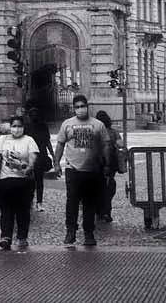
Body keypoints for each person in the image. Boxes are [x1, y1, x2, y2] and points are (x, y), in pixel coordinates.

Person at [53, 94, 111, 247]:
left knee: (89, 203)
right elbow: (60, 144)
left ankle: (89, 232)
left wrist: (106, 164)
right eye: (77, 107)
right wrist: (56, 163)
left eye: (82, 106)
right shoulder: (67, 124)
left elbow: (105, 145)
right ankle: (71, 231)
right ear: (74, 108)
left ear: (87, 106)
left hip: (93, 170)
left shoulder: (98, 125)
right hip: (73, 169)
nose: (80, 109)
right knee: (71, 202)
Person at [0, 115, 39, 250]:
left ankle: (22, 237)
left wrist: (25, 165)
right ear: (10, 127)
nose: (16, 129)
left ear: (23, 128)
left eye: (19, 126)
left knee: (22, 210)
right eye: (14, 126)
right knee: (6, 209)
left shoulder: (29, 140)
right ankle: (6, 236)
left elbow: (33, 159)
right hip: (5, 180)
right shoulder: (2, 139)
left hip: (23, 182)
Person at [24, 106, 55, 212]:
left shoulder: (30, 126)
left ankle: (35, 201)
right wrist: (53, 155)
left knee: (34, 180)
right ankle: (37, 202)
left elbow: (47, 141)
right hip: (35, 155)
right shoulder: (37, 126)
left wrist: (53, 155)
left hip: (36, 156)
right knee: (38, 180)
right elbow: (48, 142)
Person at [94, 110, 121, 223]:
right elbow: (121, 144)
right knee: (108, 187)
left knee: (97, 188)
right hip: (110, 164)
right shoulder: (113, 132)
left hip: (96, 164)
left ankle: (99, 210)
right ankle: (107, 212)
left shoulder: (94, 132)